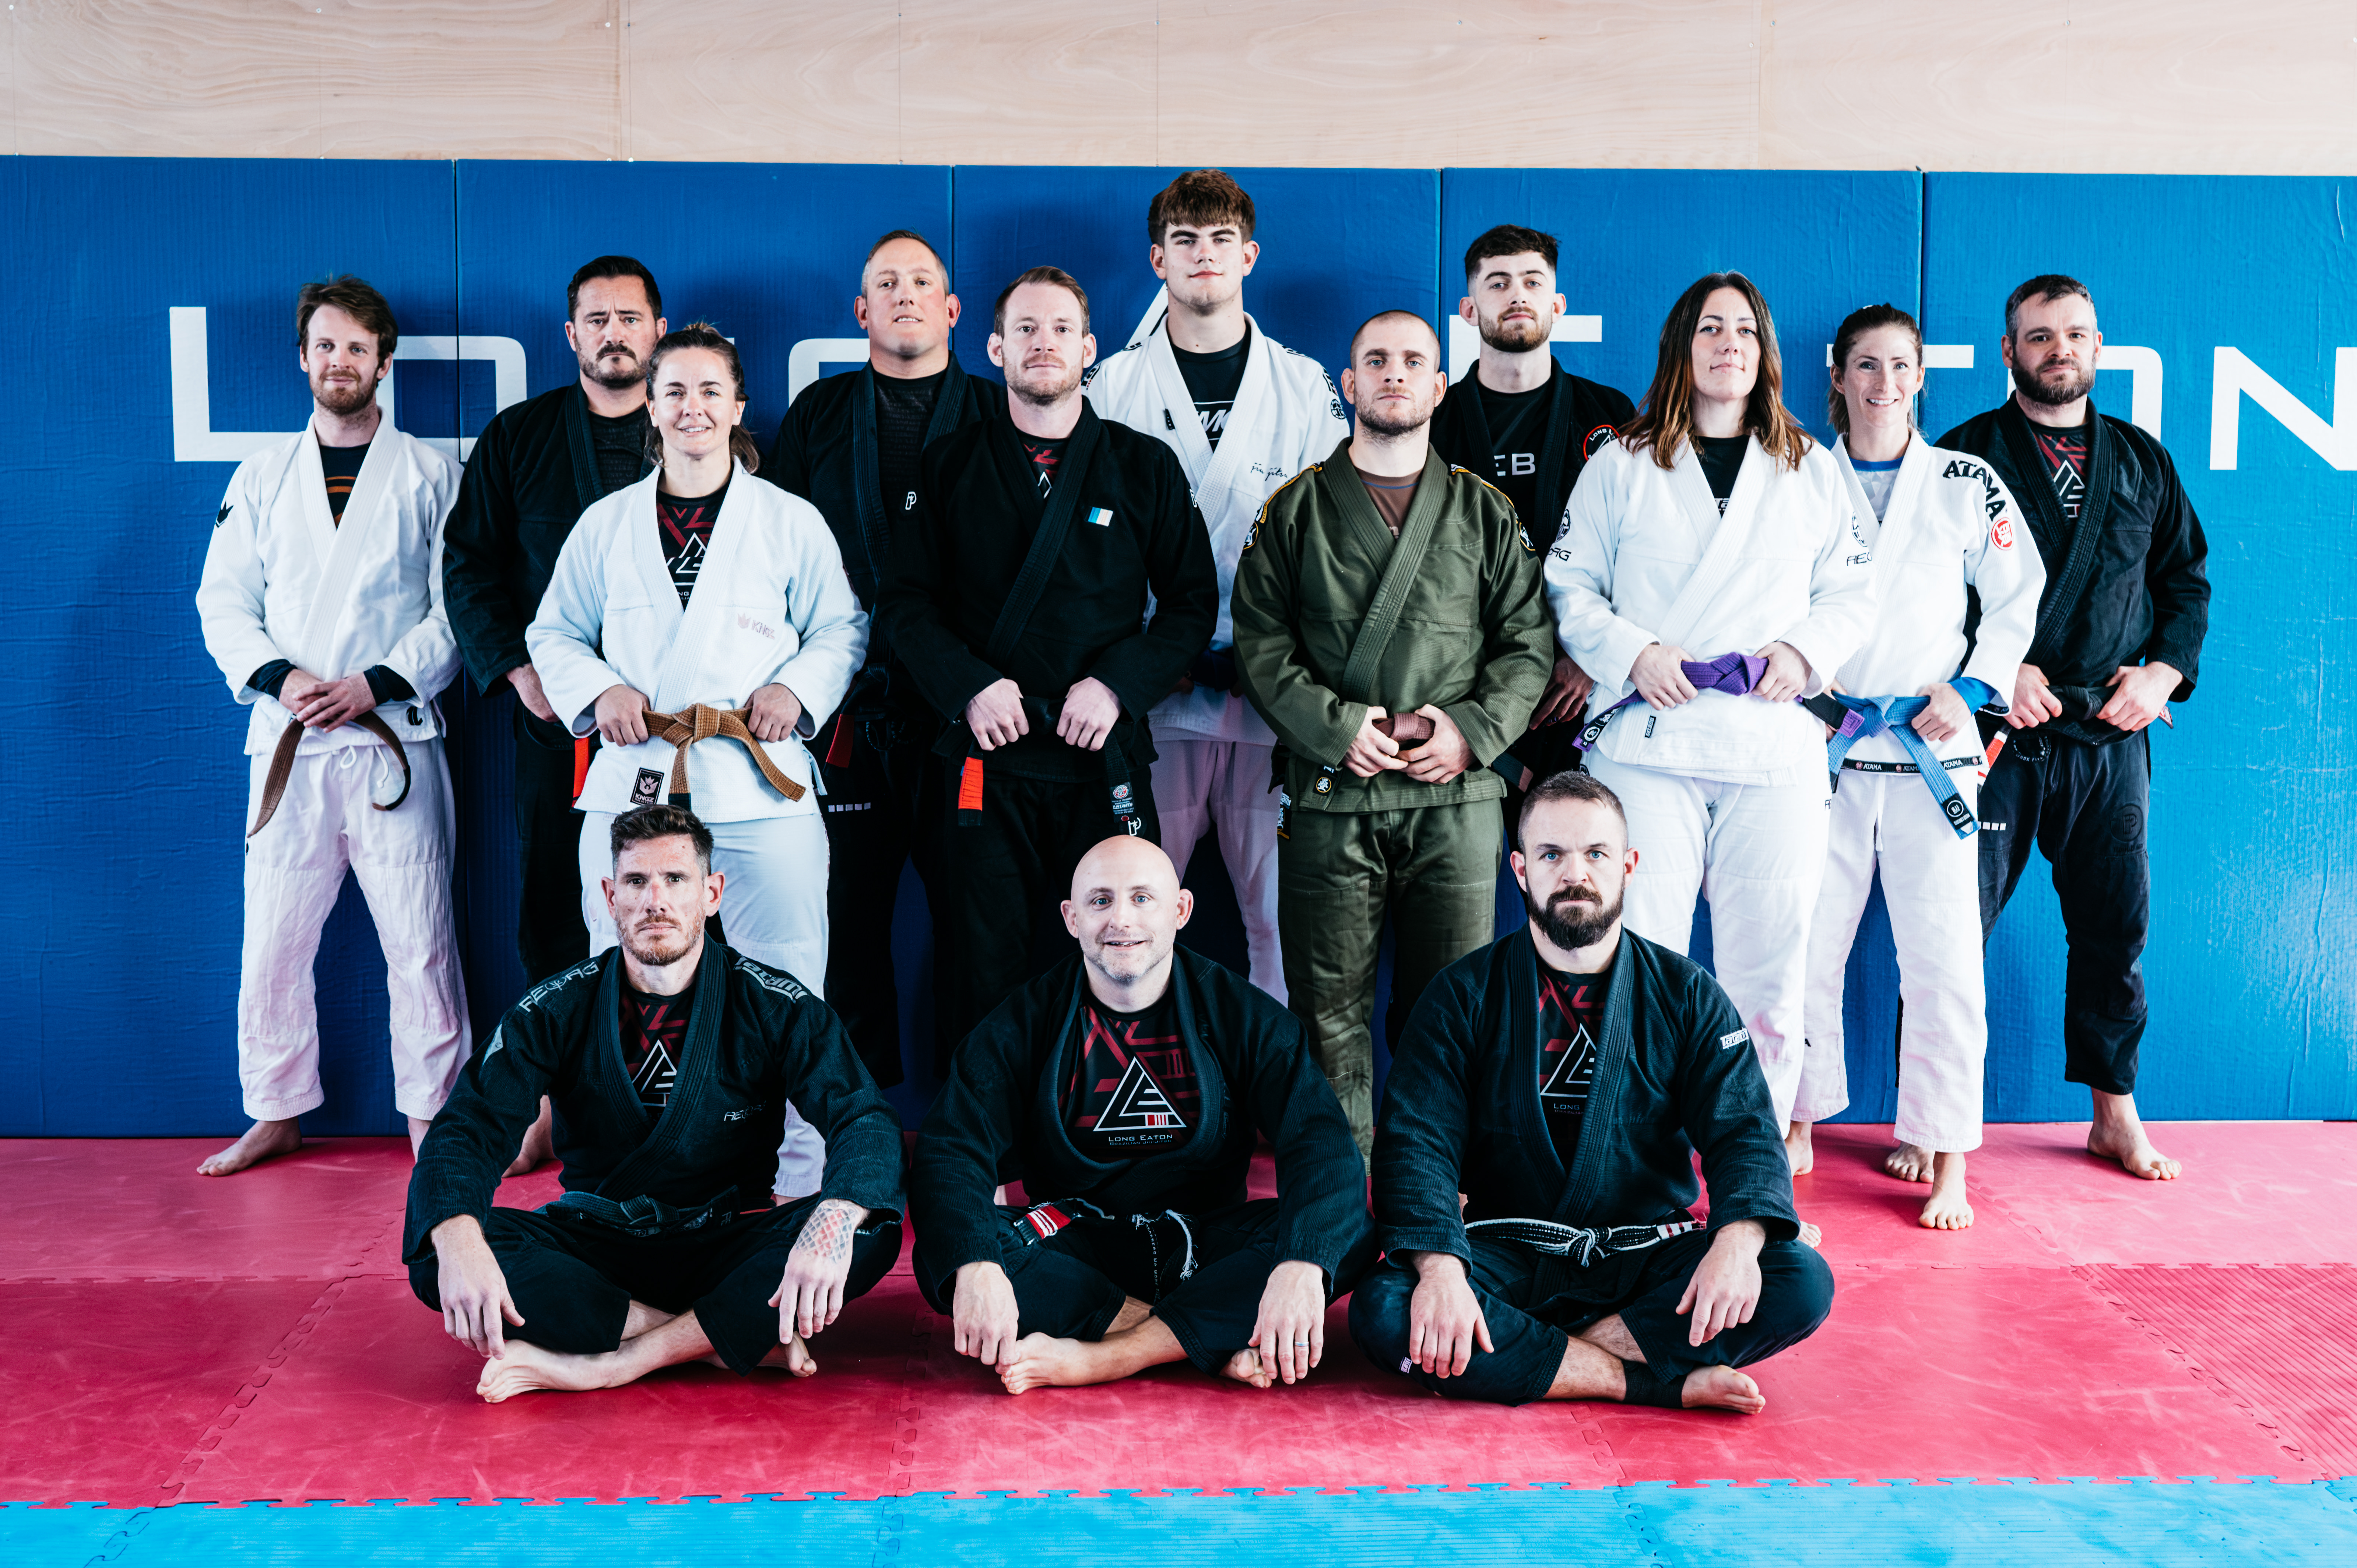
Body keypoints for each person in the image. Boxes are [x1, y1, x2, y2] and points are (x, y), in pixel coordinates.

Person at [1349, 771, 1833, 1411]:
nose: (1575, 873)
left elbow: (1743, 1128)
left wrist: (1738, 1238)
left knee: (1799, 1278)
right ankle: (1645, 1381)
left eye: (1596, 854)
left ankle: (1538, 1357)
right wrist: (1441, 1269)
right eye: (1552, 854)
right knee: (1384, 1307)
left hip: (1646, 1258)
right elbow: (1417, 1142)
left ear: (1629, 865)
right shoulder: (1462, 995)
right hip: (1506, 1252)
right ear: (1520, 869)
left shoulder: (1686, 993)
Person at [405, 805, 906, 1403]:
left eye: (676, 880)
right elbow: (467, 1126)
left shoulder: (776, 1005)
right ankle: (719, 1338)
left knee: (869, 1226)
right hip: (597, 1247)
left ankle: (619, 1359)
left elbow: (864, 1118)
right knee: (439, 1248)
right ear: (611, 896)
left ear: (712, 893)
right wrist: (460, 1240)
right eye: (638, 883)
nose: (655, 900)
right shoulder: (556, 1008)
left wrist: (832, 1217)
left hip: (725, 1242)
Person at [528, 323, 868, 1196]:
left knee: (790, 977)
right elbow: (552, 630)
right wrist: (598, 688)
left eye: (710, 391)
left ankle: (799, 1174)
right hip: (638, 774)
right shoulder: (606, 524)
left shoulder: (790, 520)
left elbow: (841, 627)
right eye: (674, 390)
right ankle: (623, 1164)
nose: (692, 407)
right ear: (649, 404)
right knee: (623, 970)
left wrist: (797, 688)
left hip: (756, 777)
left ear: (738, 406)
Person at [1544, 272, 1878, 1144]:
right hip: (1648, 743)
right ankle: (1633, 1165)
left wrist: (1802, 654)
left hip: (1769, 746)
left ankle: (1750, 1169)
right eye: (1708, 329)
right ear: (1680, 348)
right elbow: (1569, 584)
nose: (1727, 343)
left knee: (1769, 972)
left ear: (1763, 351)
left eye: (1743, 330)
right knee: (1637, 964)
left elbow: (1852, 591)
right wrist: (1632, 653)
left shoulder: (1807, 467)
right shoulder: (1620, 461)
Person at [877, 266, 1219, 1074]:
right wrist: (966, 684)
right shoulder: (947, 466)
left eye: (1061, 329)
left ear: (1089, 349)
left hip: (1099, 760)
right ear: (993, 347)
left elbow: (1189, 605)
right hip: (983, 764)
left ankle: (1101, 1129)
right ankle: (980, 1151)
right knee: (978, 962)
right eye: (1025, 329)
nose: (1043, 344)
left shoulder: (1143, 467)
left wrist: (1117, 685)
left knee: (1118, 952)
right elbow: (903, 603)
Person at [1232, 309, 1555, 1157]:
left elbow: (1527, 643)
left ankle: (1426, 1186)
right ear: (1348, 384)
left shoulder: (1484, 511)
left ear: (1439, 386)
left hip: (1454, 796)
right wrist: (1334, 727)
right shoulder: (1295, 510)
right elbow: (1260, 640)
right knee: (1325, 1007)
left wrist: (1472, 732)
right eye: (1374, 360)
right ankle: (1341, 1190)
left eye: (1414, 361)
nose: (1393, 374)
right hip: (1333, 791)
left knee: (1447, 1007)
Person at [912, 835, 1372, 1393]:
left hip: (1203, 1245)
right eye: (1100, 901)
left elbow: (1319, 1143)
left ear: (1181, 909)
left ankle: (1110, 1356)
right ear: (1072, 918)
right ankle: (1194, 1339)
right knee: (958, 1249)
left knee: (1341, 1235)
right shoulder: (1026, 1021)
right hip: (1077, 1246)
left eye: (1142, 898)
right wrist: (978, 1266)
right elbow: (951, 1149)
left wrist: (1301, 1263)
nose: (1121, 919)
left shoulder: (1240, 1014)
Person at [1936, 275, 2210, 1182]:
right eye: (2039, 336)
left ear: (2097, 346)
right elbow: (1918, 595)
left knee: (2113, 928)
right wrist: (1987, 667)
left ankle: (2112, 1111)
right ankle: (1930, 1117)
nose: (2060, 351)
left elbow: (2184, 584)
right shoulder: (1960, 458)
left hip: (2106, 735)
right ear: (2006, 349)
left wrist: (2164, 670)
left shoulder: (2140, 460)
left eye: (2075, 335)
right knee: (1947, 924)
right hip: (1993, 734)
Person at [194, 276, 470, 1177]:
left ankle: (432, 1114)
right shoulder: (261, 477)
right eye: (326, 345)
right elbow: (223, 601)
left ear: (384, 362)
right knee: (271, 937)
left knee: (420, 938)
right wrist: (284, 678)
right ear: (302, 357)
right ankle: (274, 1109)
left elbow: (455, 609)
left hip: (394, 736)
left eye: (358, 347)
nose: (341, 361)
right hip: (289, 741)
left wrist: (374, 682)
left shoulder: (433, 475)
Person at [1788, 305, 2046, 1230]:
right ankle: (1798, 1115)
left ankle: (1946, 1153)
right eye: (1866, 365)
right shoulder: (1798, 473)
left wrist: (1973, 683)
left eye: (1900, 365)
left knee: (1940, 958)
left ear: (1921, 374)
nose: (1884, 382)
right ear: (1837, 372)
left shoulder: (1964, 480)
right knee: (1802, 942)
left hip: (1932, 745)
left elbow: (2017, 592)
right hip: (1821, 740)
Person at [1082, 170, 1351, 1001]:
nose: (1204, 257)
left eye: (1221, 241)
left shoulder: (1302, 386)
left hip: (1269, 688)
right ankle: (1149, 1094)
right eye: (1187, 242)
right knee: (1136, 911)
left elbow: (1332, 540)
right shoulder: (1113, 386)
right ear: (1158, 258)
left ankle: (1280, 1107)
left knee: (1279, 914)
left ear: (1250, 257)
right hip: (1151, 692)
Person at [443, 256, 665, 1174]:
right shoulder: (520, 439)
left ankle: (686, 1098)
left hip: (683, 730)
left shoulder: (700, 430)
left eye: (629, 317)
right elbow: (468, 567)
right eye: (596, 319)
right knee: (551, 911)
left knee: (681, 908)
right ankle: (545, 1100)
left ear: (657, 329)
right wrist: (518, 672)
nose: (614, 333)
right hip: (559, 729)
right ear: (570, 335)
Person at [762, 229, 997, 1090]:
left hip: (962, 715)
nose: (905, 294)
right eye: (886, 284)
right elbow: (771, 558)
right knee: (844, 921)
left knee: (976, 927)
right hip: (844, 714)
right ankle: (857, 1126)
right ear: (861, 311)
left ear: (952, 309)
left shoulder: (993, 413)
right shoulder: (819, 419)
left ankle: (969, 1124)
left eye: (922, 281)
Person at [1429, 225, 1636, 804]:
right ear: (1470, 309)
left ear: (1557, 304)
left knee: (1571, 872)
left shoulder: (1609, 415)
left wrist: (1590, 656)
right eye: (1498, 283)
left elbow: (1639, 550)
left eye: (1532, 282)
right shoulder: (1433, 423)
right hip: (1466, 688)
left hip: (1579, 686)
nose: (1516, 295)